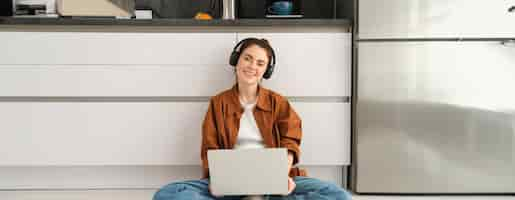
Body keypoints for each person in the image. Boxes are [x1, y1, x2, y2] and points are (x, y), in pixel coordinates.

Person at [153, 38, 352, 200]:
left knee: (339, 196)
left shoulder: (278, 102)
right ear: (236, 61)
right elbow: (209, 147)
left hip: (273, 179)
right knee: (168, 194)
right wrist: (217, 181)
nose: (252, 66)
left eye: (260, 63)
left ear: (267, 70)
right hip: (231, 181)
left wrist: (282, 175)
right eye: (247, 59)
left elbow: (290, 143)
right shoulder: (218, 102)